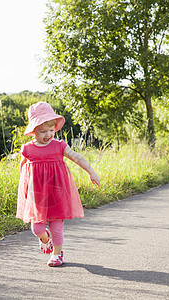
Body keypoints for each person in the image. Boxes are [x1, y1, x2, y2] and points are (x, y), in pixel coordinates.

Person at [16, 102, 101, 267]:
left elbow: (77, 157)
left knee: (57, 227)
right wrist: (25, 189)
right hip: (38, 195)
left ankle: (57, 254)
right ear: (33, 131)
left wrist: (91, 171)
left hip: (57, 192)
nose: (48, 134)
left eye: (51, 130)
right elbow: (23, 170)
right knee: (37, 229)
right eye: (43, 131)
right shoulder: (27, 149)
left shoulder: (59, 146)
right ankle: (44, 238)